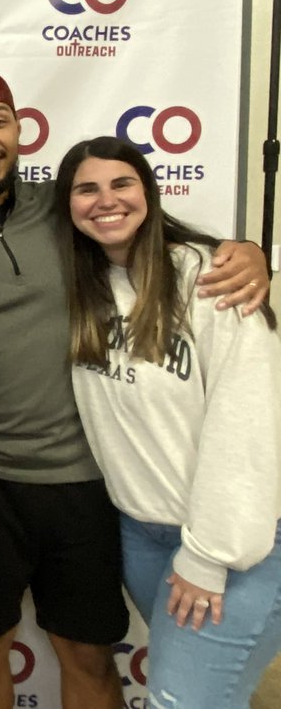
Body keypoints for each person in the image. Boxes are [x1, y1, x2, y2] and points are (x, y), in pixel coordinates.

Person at [0, 69, 269, 709]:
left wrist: (249, 252)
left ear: (19, 130)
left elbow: (149, 236)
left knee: (89, 654)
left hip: (88, 484)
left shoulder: (66, 210)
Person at [56, 135, 281, 709]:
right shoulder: (87, 287)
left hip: (236, 548)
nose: (106, 200)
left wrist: (209, 555)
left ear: (149, 193)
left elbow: (249, 427)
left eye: (121, 183)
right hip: (143, 534)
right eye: (87, 189)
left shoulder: (209, 278)